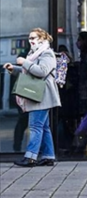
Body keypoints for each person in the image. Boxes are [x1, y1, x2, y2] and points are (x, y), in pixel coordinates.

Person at [4, 29, 61, 167]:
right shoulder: (34, 53)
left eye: (34, 37)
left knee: (35, 126)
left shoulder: (47, 53)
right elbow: (31, 71)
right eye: (29, 37)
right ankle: (48, 156)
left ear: (42, 38)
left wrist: (23, 62)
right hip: (38, 95)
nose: (31, 40)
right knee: (44, 127)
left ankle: (30, 157)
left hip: (42, 95)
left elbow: (41, 71)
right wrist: (15, 68)